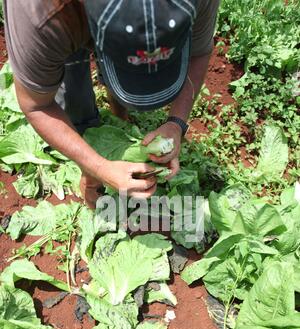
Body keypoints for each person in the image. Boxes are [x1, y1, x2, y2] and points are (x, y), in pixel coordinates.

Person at [3, 0, 220, 208]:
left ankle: (119, 118)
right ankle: (84, 132)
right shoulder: (42, 15)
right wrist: (96, 168)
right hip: (66, 21)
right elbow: (37, 105)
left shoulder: (196, 2)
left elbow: (199, 52)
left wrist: (176, 124)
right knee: (72, 88)